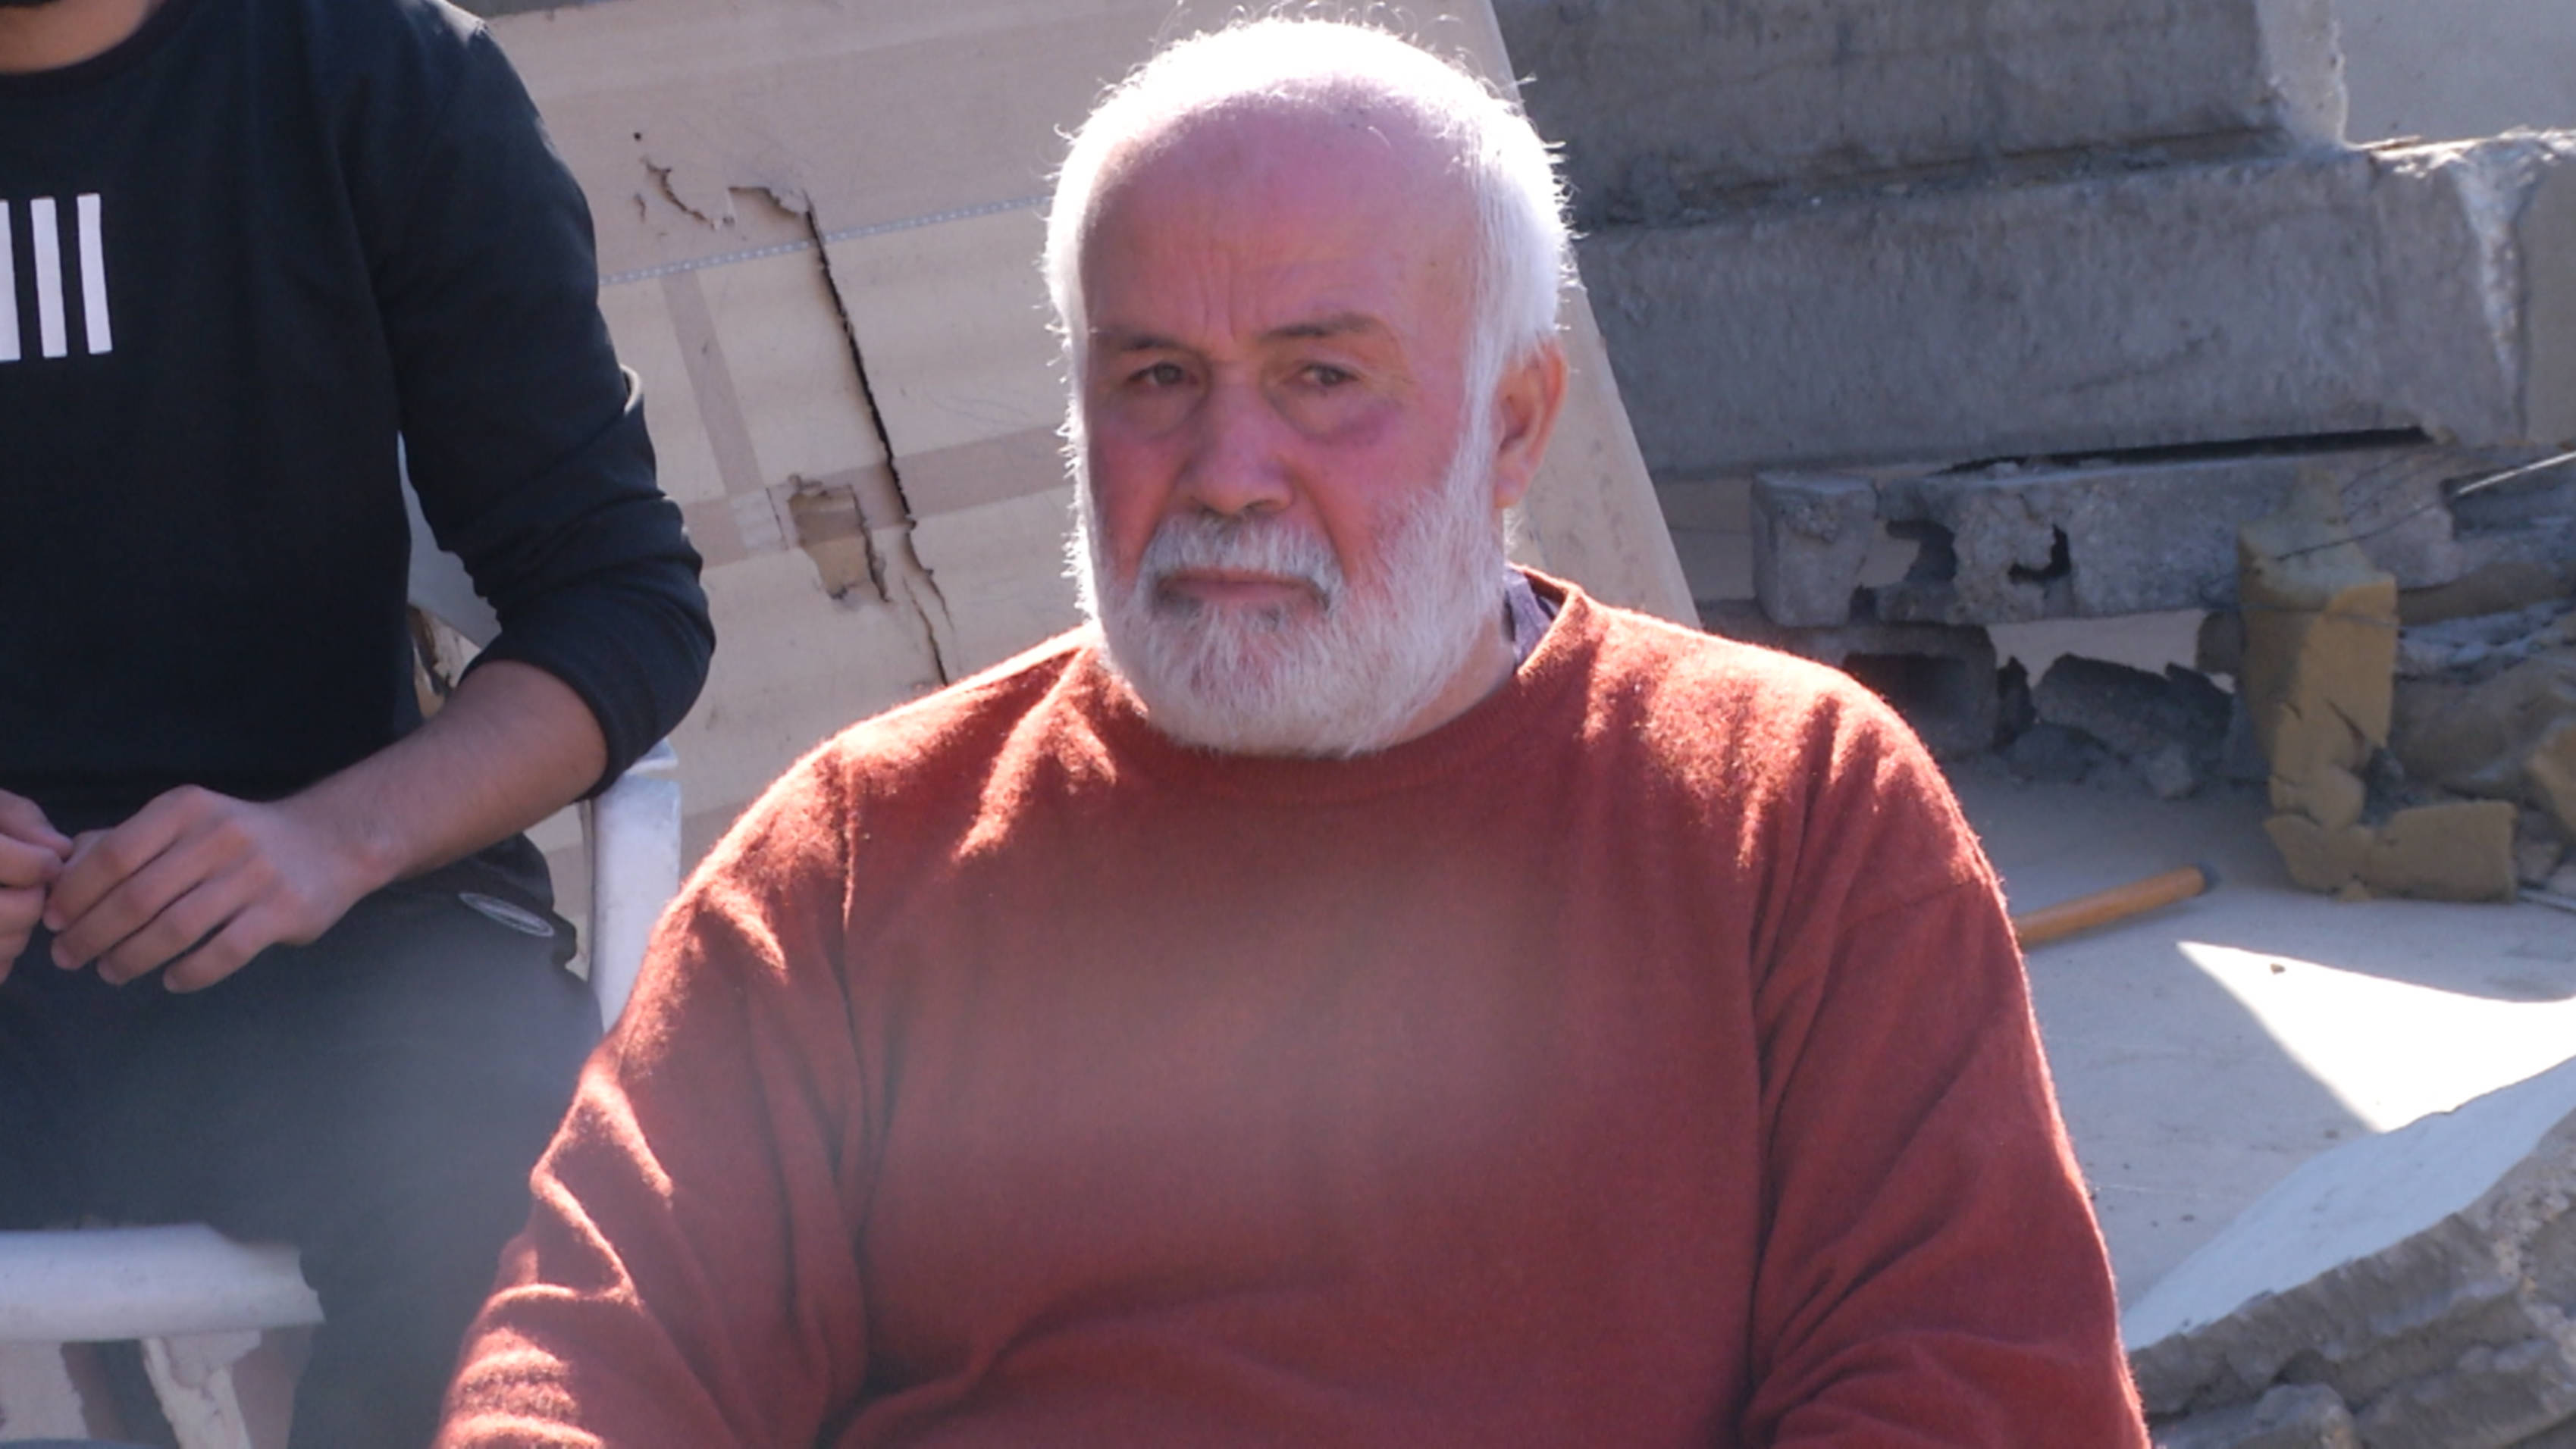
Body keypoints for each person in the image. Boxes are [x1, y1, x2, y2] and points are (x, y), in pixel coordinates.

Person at [437, 18, 2145, 1447]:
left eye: (1324, 377)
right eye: (1156, 376)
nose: (1227, 467)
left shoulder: (1787, 809)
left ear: (1514, 420)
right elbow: (587, 1364)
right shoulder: (862, 856)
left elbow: (1973, 1389)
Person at [0, 0, 713, 1441]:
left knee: (522, 1205)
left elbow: (619, 600)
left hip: (340, 952)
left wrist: (334, 837)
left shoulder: (375, 73)